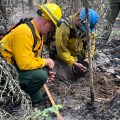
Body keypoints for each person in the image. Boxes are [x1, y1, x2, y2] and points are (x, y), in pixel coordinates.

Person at [0, 3, 62, 104]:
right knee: (40, 75)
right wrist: (46, 63)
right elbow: (24, 64)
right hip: (3, 72)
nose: (51, 30)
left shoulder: (37, 34)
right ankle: (9, 100)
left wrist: (45, 70)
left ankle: (17, 95)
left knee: (37, 98)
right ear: (46, 22)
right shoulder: (25, 31)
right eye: (52, 27)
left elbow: (31, 58)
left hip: (12, 68)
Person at [54, 8, 99, 81]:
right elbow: (61, 50)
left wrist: (88, 59)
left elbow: (91, 45)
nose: (84, 30)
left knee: (92, 67)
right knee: (66, 76)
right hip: (64, 59)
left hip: (79, 56)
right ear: (78, 18)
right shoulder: (65, 26)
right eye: (83, 27)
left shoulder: (89, 27)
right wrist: (74, 63)